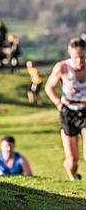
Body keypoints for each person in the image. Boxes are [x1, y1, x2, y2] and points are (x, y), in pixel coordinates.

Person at [44, 37, 86, 181]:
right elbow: (48, 87)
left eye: (82, 57)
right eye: (76, 58)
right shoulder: (62, 67)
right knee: (72, 159)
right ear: (69, 53)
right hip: (68, 112)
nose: (79, 61)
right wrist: (58, 104)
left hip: (85, 110)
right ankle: (73, 176)